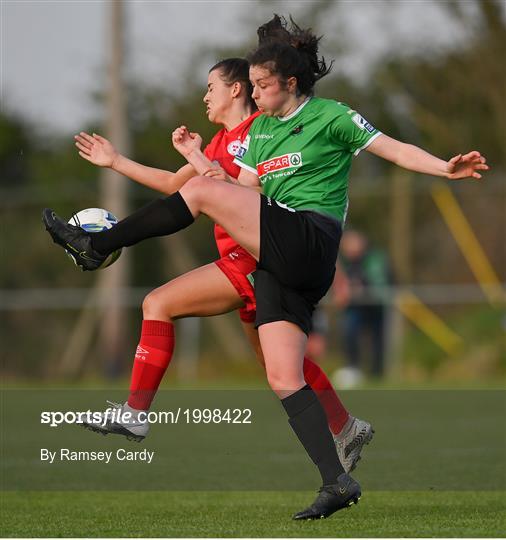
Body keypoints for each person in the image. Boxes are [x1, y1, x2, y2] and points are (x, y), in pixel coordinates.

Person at [43, 14, 488, 520]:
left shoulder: (331, 115)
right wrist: (198, 164)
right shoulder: (259, 139)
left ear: (289, 83)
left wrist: (445, 168)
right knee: (282, 377)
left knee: (200, 201)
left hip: (311, 240)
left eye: (260, 85)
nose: (253, 94)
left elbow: (394, 148)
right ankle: (336, 480)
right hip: (275, 261)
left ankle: (97, 244)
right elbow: (238, 194)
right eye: (250, 85)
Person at [71, 57, 372, 472]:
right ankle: (345, 427)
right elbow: (177, 188)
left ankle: (135, 414)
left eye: (211, 86)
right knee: (280, 366)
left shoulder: (260, 131)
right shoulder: (216, 143)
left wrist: (197, 161)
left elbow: (253, 193)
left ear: (236, 89)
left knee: (158, 303)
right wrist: (117, 161)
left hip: (255, 258)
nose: (204, 95)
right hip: (245, 261)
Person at [333, 229, 392, 386]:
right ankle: (353, 369)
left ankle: (377, 373)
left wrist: (363, 287)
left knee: (378, 340)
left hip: (375, 306)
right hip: (355, 308)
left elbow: (378, 282)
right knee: (349, 332)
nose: (349, 248)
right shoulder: (343, 261)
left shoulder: (374, 258)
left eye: (352, 244)